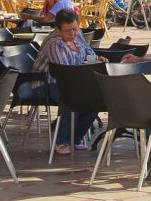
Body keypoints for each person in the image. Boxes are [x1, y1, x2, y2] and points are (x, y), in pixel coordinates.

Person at [31, 9, 103, 154]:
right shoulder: (55, 43)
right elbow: (65, 73)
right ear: (58, 30)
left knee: (97, 97)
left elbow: (90, 54)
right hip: (46, 83)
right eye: (67, 31)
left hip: (75, 82)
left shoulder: (78, 36)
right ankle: (62, 141)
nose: (72, 34)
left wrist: (98, 60)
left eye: (75, 29)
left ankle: (75, 139)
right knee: (72, 95)